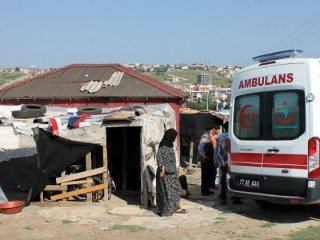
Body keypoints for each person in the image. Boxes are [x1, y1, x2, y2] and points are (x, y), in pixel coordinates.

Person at [156, 128, 187, 216]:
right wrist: (162, 168)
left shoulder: (170, 145)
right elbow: (159, 157)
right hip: (165, 173)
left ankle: (175, 207)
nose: (174, 138)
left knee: (174, 190)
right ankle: (167, 208)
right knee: (167, 191)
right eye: (174, 136)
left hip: (172, 172)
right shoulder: (163, 145)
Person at [214, 122, 242, 205]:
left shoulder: (220, 136)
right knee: (234, 179)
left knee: (222, 181)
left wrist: (215, 160)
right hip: (233, 162)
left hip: (223, 162)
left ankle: (223, 198)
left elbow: (217, 150)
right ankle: (236, 198)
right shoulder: (235, 136)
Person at [198, 126, 216, 196]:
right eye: (212, 130)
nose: (213, 131)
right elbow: (200, 148)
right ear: (209, 130)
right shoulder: (204, 137)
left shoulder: (209, 137)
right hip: (205, 160)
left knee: (208, 175)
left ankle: (207, 189)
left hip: (209, 159)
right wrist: (205, 157)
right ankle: (204, 191)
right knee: (205, 176)